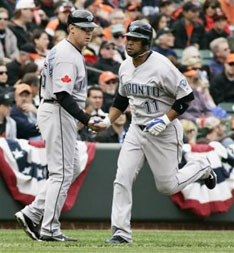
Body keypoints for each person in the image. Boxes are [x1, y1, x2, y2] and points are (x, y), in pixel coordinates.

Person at [94, 21, 217, 244]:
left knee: (167, 186)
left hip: (163, 132)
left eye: (134, 40)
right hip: (136, 130)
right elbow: (121, 99)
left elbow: (186, 97)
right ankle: (120, 232)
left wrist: (165, 119)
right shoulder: (124, 66)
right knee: (122, 177)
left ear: (146, 43)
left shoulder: (162, 66)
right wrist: (107, 119)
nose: (129, 43)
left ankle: (202, 167)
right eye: (128, 38)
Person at [15, 9, 100, 242]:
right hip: (59, 110)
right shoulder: (66, 54)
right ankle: (49, 228)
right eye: (84, 28)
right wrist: (85, 118)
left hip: (55, 110)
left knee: (70, 167)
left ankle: (32, 213)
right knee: (61, 172)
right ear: (71, 27)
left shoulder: (66, 50)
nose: (88, 32)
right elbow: (62, 94)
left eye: (91, 28)